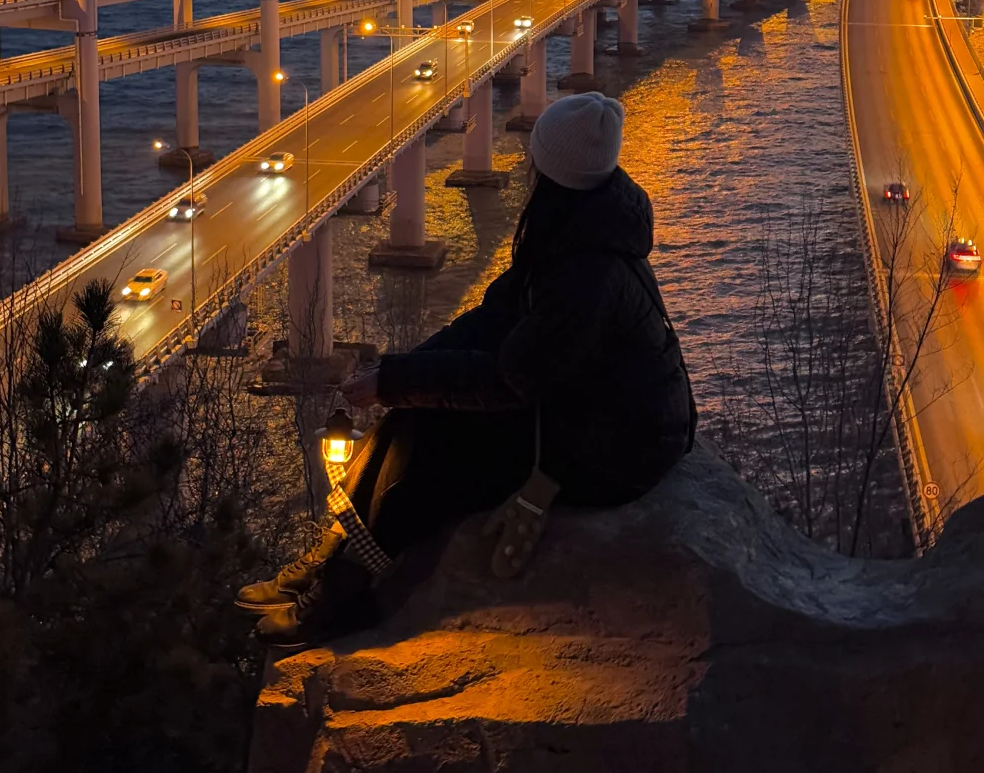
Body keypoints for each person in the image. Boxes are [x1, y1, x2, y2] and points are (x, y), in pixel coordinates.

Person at [238, 91, 697, 648]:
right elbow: (492, 317)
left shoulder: (588, 274)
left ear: (550, 170)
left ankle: (345, 593)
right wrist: (397, 375)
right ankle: (337, 549)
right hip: (586, 405)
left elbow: (509, 381)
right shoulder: (579, 229)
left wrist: (403, 384)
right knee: (412, 411)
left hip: (620, 444)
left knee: (435, 455)